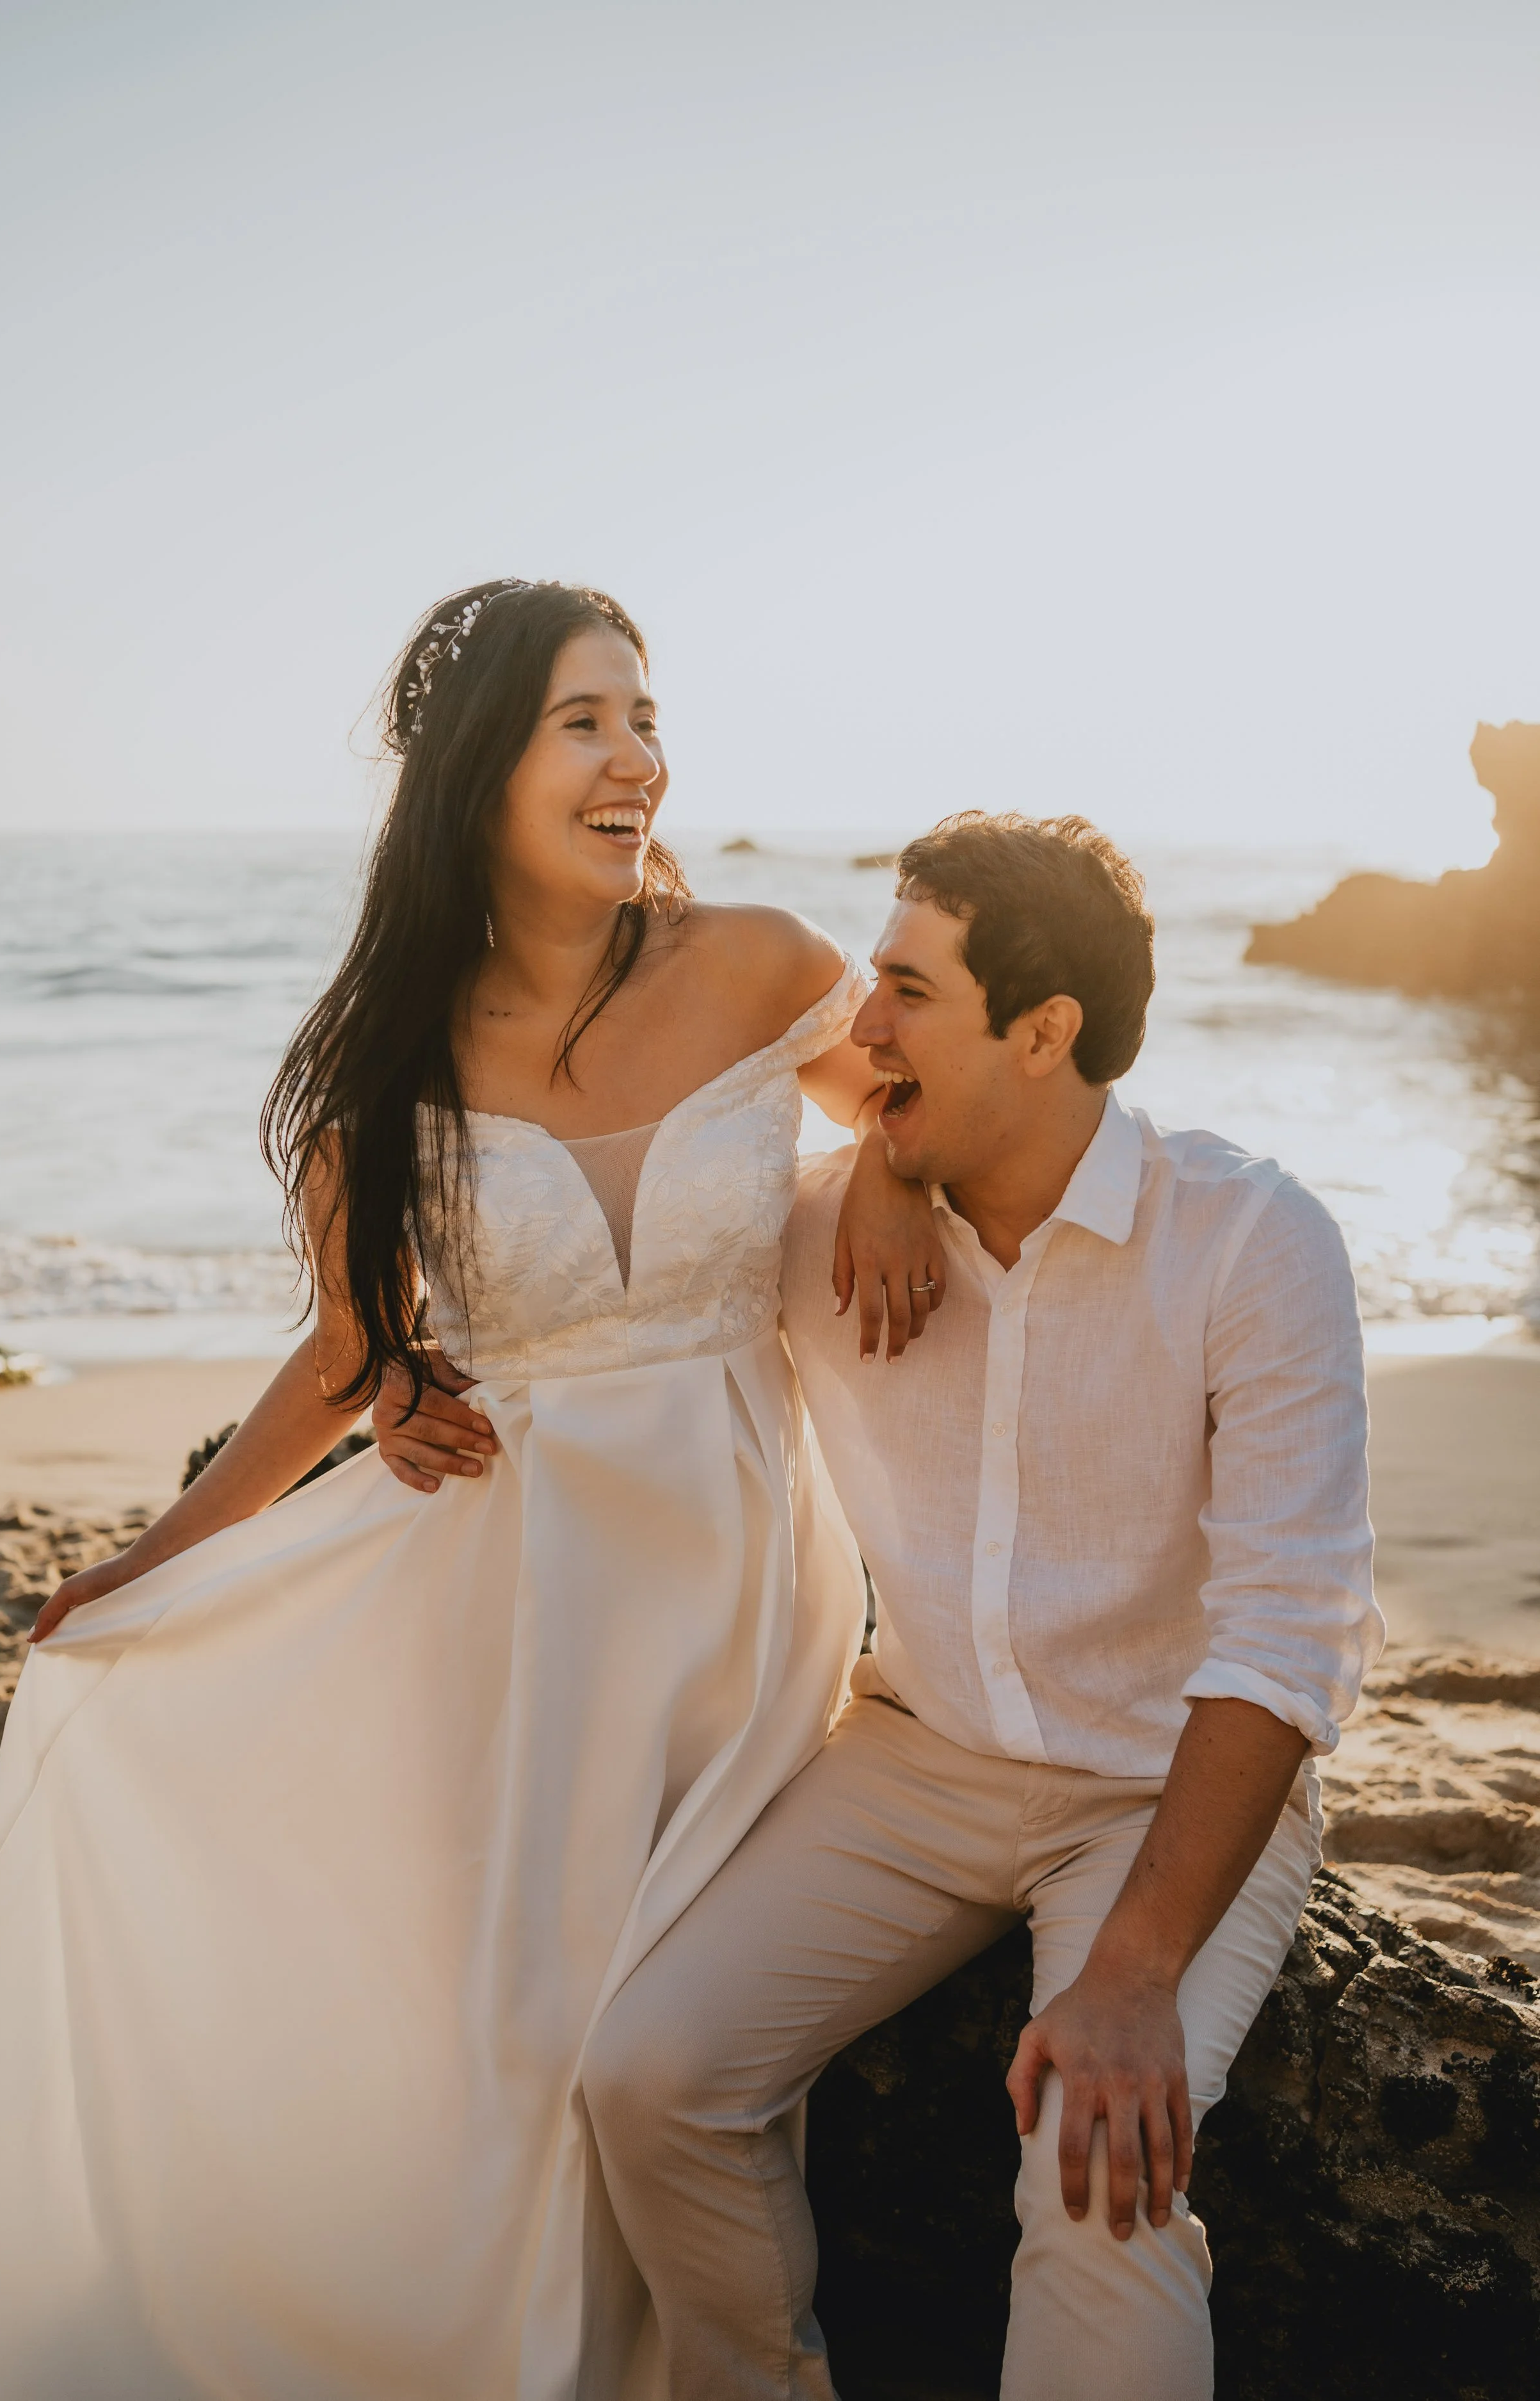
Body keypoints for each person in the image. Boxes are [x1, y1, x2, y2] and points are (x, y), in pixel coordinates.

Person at [0, 579, 939, 2401]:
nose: (635, 756)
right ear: (478, 769)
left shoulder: (763, 959)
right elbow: (342, 1356)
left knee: (683, 2035)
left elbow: (916, 1083)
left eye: (645, 715)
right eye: (584, 720)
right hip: (525, 1600)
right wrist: (148, 1562)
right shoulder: (388, 1076)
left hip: (751, 1582)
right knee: (532, 2036)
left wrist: (880, 1166)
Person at [380, 809, 1383, 2399]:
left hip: (1159, 1785)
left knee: (1094, 2178)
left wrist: (1129, 1973)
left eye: (907, 992)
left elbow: (1286, 1635)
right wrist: (405, 1387)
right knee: (649, 2079)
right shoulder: (798, 1239)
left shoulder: (1250, 1243)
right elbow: (572, 1339)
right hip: (910, 1759)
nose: (856, 1026)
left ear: (1041, 1032)